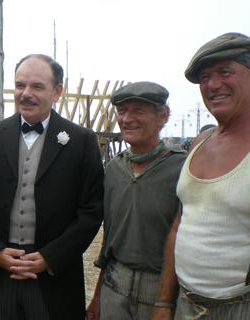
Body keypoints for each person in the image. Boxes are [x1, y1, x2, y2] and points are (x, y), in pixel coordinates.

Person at [0, 54, 104, 320]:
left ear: (57, 91)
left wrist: (51, 258)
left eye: (37, 86)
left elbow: (91, 210)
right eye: (19, 85)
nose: (26, 94)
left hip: (54, 278)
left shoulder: (81, 141)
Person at [154, 32, 250, 320]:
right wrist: (164, 303)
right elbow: (179, 224)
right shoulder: (201, 142)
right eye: (204, 77)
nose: (212, 85)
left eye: (225, 71)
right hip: (186, 304)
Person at [86, 82, 186, 320]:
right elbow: (110, 239)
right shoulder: (113, 169)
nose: (127, 118)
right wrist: (98, 296)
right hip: (114, 286)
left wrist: (164, 302)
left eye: (138, 110)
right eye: (122, 111)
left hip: (161, 288)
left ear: (163, 116)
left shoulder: (182, 168)